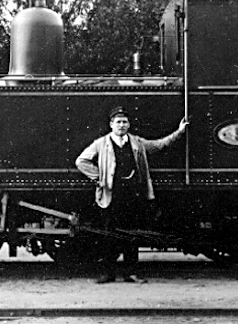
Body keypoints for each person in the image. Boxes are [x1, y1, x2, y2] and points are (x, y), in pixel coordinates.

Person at [75, 106, 188, 284]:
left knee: (132, 235)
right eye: (118, 122)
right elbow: (81, 161)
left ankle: (131, 273)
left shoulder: (137, 142)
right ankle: (108, 274)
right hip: (111, 195)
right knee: (108, 235)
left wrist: (179, 132)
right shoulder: (101, 143)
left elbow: (160, 145)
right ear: (111, 124)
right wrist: (99, 178)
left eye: (124, 122)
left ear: (129, 125)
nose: (121, 125)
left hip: (133, 195)